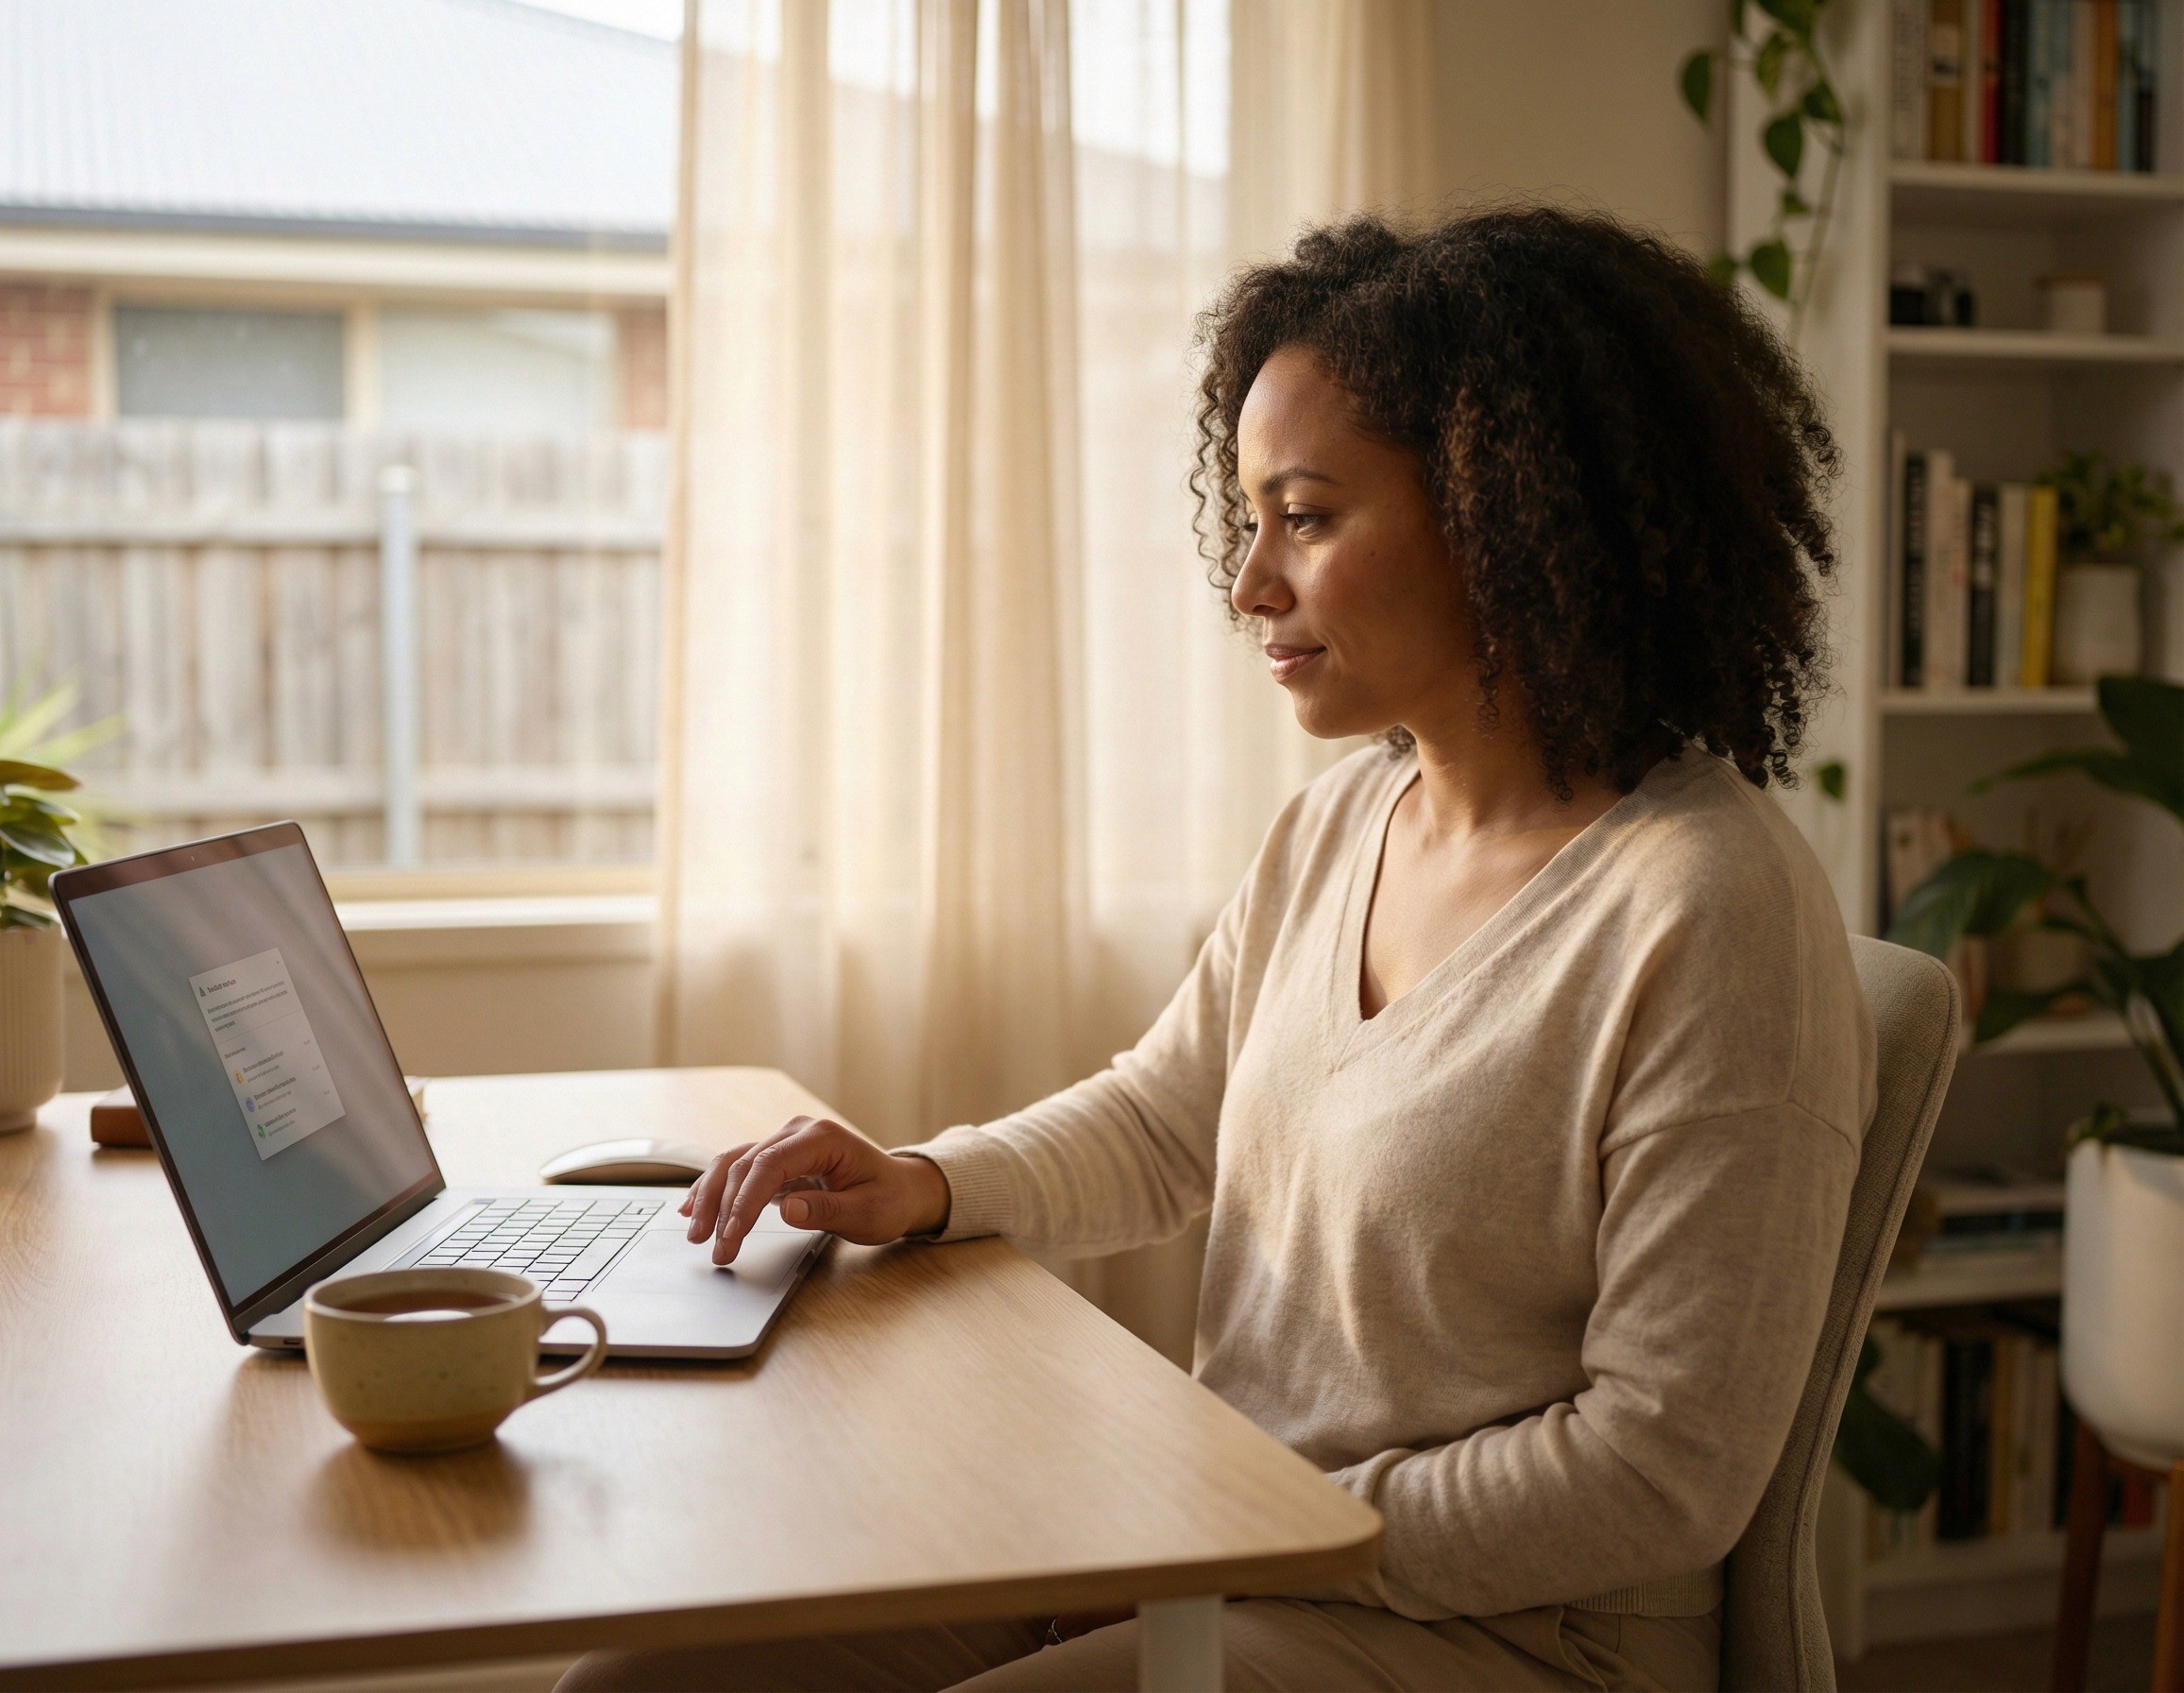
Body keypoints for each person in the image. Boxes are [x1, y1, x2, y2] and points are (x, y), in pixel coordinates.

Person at [559, 205, 1874, 1693]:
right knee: (638, 1684)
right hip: (1235, 1555)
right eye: (1249, 519)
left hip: (1510, 1639)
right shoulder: (1340, 827)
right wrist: (923, 1183)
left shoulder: (1711, 912)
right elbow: (1165, 1119)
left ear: (1508, 514)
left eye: (1305, 519)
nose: (1250, 583)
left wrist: (1240, 1523)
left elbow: (1658, 1472)